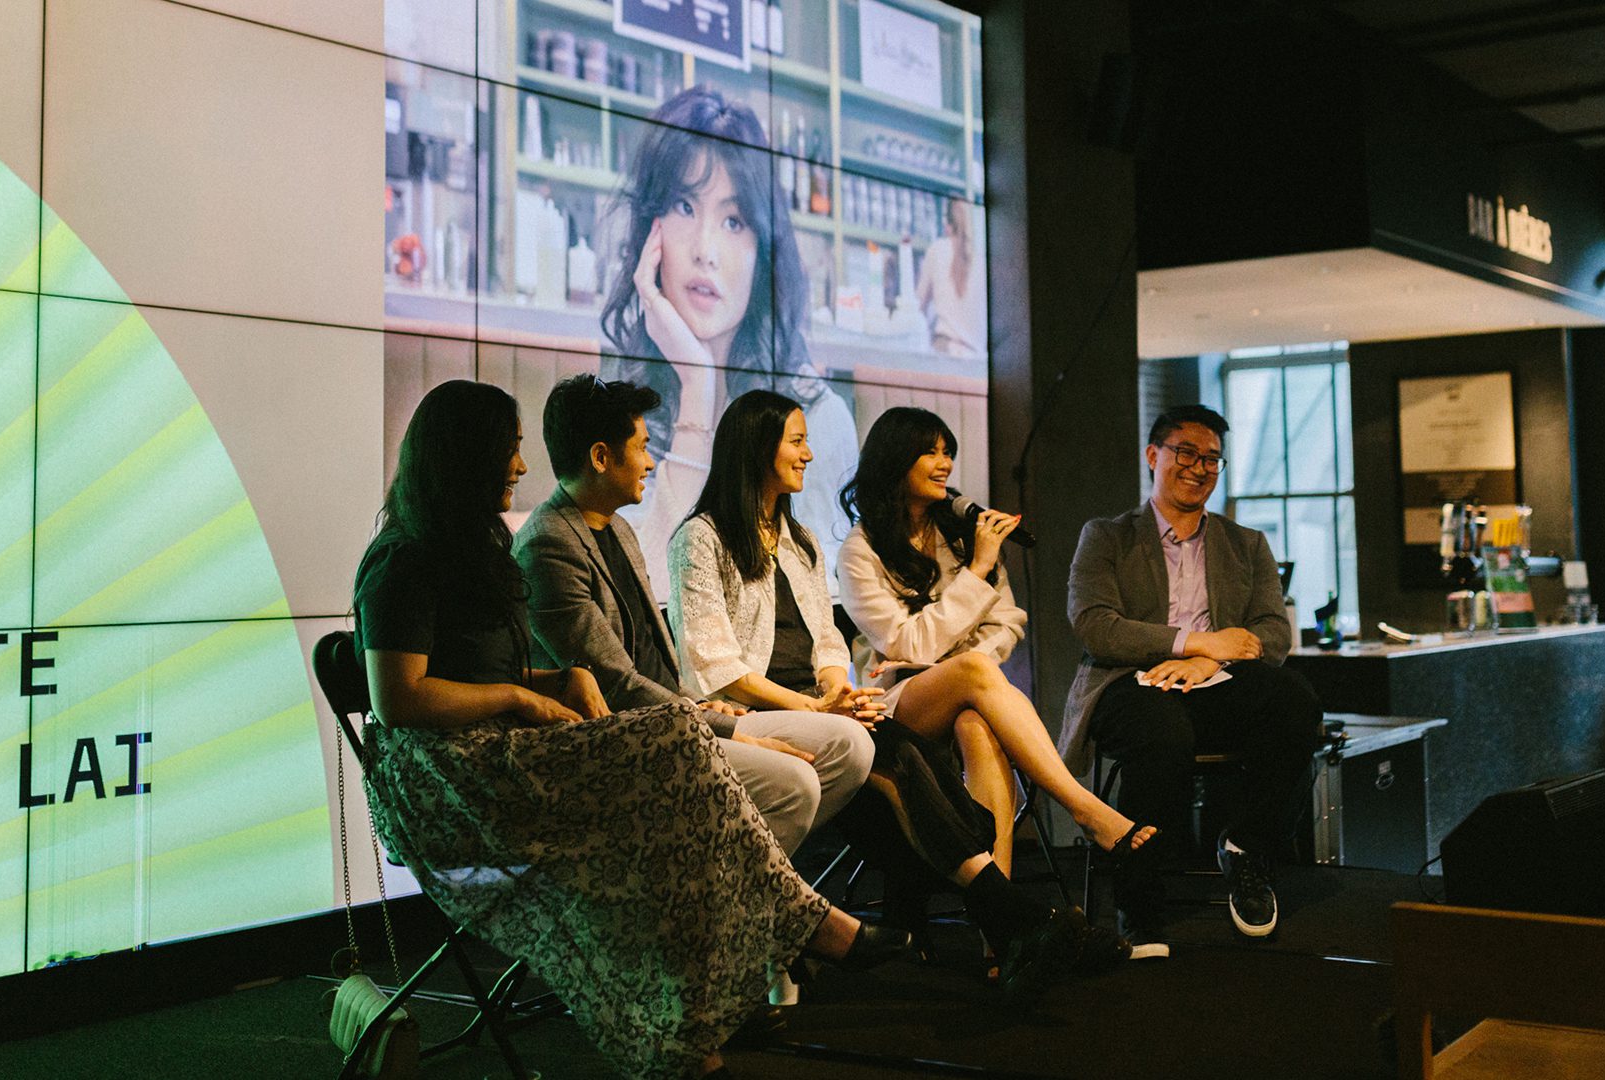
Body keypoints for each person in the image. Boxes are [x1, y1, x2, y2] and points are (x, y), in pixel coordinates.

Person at [352, 380, 905, 1080]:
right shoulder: (407, 557)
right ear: (465, 458)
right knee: (678, 742)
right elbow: (400, 699)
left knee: (685, 761)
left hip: (507, 757)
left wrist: (557, 682)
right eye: (509, 452)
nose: (522, 468)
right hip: (452, 784)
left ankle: (706, 1008)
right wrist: (524, 699)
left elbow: (507, 672)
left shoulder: (485, 544)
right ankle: (797, 932)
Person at [671, 389, 1140, 1002]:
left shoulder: (799, 540)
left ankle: (1007, 927)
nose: (810, 453)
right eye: (797, 440)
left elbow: (827, 647)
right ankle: (1021, 911)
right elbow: (716, 666)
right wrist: (819, 708)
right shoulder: (702, 539)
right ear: (756, 447)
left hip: (827, 708)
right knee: (893, 748)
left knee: (929, 737)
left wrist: (839, 691)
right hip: (753, 713)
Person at [835, 407, 1165, 958]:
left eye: (949, 452)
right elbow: (906, 646)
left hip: (964, 694)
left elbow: (1007, 622)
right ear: (895, 460)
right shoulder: (860, 548)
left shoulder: (962, 535)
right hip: (893, 707)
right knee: (974, 674)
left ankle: (1002, 934)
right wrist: (976, 580)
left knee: (977, 720)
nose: (945, 463)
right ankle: (1084, 810)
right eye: (931, 451)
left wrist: (969, 664)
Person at [514, 372, 873, 858]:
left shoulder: (617, 528)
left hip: (681, 712)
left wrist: (706, 706)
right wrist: (709, 715)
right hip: (636, 734)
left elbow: (657, 659)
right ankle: (726, 900)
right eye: (642, 447)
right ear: (600, 457)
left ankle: (717, 875)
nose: (651, 461)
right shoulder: (548, 544)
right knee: (797, 782)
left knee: (853, 747)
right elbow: (616, 682)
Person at [1059, 403, 1326, 947]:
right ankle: (1139, 903)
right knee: (1161, 733)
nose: (1198, 467)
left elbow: (1274, 630)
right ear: (1154, 455)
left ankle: (1247, 849)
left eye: (1212, 459)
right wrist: (1196, 641)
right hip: (1127, 684)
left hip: (1216, 683)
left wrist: (1209, 660)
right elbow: (1096, 627)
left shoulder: (1246, 543)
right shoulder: (1106, 537)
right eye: (1186, 452)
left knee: (1296, 702)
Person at [599, 84, 857, 595]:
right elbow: (645, 602)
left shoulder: (815, 419)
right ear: (649, 229)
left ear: (764, 249)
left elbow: (818, 607)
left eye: (734, 220)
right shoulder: (613, 411)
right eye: (683, 206)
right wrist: (697, 386)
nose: (705, 251)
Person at [914, 200, 987, 359]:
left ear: (947, 226)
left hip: (945, 351)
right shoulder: (982, 261)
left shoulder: (937, 249)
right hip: (978, 360)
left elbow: (918, 308)